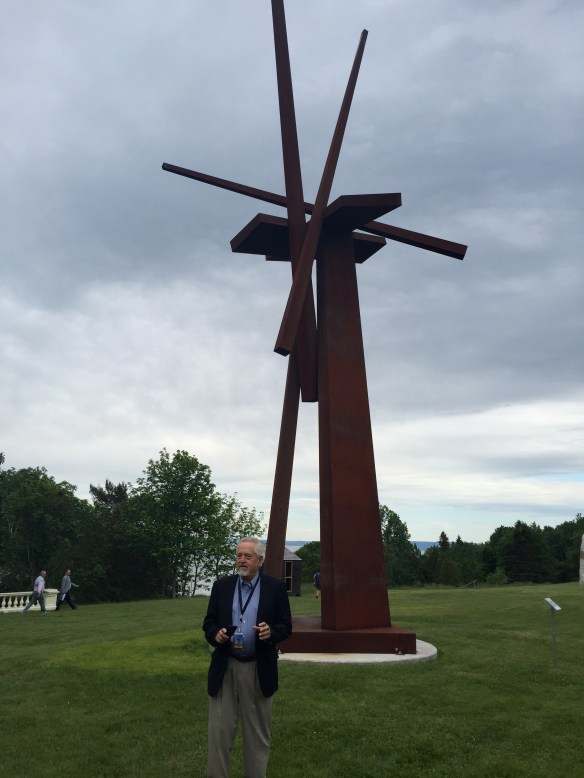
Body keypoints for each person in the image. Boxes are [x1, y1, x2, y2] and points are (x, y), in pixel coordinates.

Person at [203, 537, 292, 778]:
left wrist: (270, 632)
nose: (241, 560)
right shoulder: (222, 586)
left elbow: (286, 626)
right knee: (219, 736)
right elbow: (208, 623)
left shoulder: (275, 589)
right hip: (225, 669)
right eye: (239, 555)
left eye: (247, 556)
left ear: (260, 561)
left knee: (256, 739)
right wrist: (217, 634)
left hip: (257, 669)